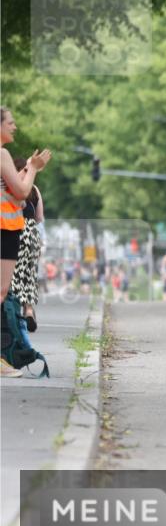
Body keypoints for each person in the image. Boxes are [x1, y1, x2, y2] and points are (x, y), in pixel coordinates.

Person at [1, 107, 51, 377]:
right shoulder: (2, 154)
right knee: (1, 292)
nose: (15, 127)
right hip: (5, 228)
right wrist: (32, 168)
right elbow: (22, 192)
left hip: (7, 227)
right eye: (10, 123)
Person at [10, 159, 44, 331]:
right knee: (29, 274)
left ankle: (12, 312)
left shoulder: (11, 187)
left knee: (12, 273)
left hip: (13, 230)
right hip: (31, 234)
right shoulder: (34, 190)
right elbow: (39, 219)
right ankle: (29, 310)